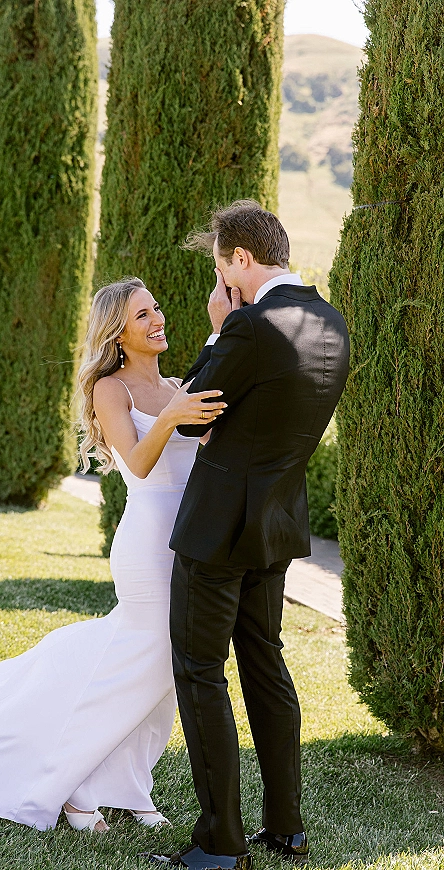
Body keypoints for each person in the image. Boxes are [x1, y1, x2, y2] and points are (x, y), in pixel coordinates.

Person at [0, 277, 225, 834]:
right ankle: (77, 789)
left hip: (189, 539)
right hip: (148, 541)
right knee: (148, 659)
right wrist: (174, 417)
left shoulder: (178, 385)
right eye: (142, 314)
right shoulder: (111, 389)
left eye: (155, 308)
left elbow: (206, 453)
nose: (157, 319)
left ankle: (128, 785)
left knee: (164, 672)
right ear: (118, 333)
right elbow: (137, 464)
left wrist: (217, 346)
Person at [143, 200, 350, 869]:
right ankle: (286, 828)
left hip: (217, 528)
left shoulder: (250, 325)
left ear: (240, 258)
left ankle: (219, 846)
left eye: (221, 269)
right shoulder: (331, 321)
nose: (221, 283)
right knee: (265, 663)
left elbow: (190, 414)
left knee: (200, 672)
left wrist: (217, 331)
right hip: (278, 523)